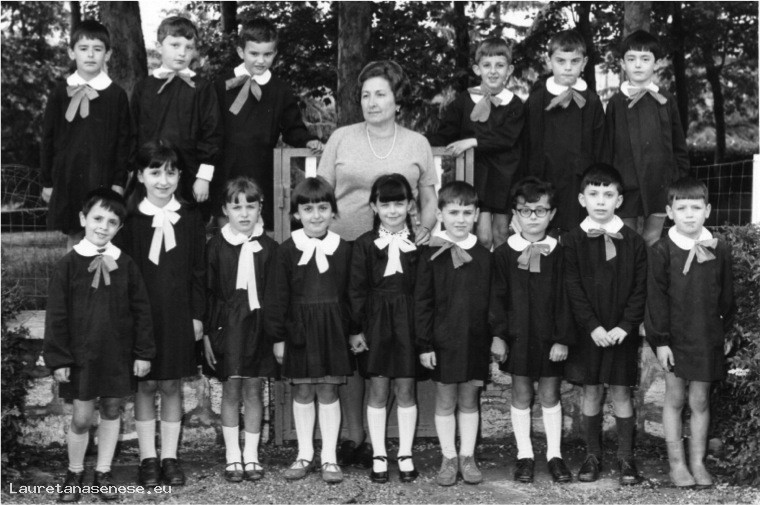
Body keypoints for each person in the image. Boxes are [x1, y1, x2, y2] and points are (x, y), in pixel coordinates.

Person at [318, 60, 438, 468]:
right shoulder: (341, 138)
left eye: (380, 94)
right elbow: (321, 192)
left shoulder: (417, 143)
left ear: (397, 99)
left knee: (389, 344)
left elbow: (428, 195)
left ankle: (382, 442)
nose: (372, 102)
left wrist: (425, 228)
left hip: (395, 256)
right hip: (343, 251)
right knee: (352, 342)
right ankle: (354, 436)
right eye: (366, 95)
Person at [44, 188, 154, 502]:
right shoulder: (68, 265)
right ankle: (75, 470)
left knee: (111, 408)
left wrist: (143, 353)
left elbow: (141, 311)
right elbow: (56, 315)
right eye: (97, 219)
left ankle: (103, 472)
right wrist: (59, 359)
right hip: (81, 356)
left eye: (112, 222)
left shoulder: (126, 265)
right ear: (83, 219)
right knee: (81, 417)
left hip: (117, 354)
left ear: (119, 228)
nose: (103, 227)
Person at [119, 140, 206, 487]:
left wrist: (197, 315)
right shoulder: (128, 220)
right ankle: (147, 459)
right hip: (141, 316)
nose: (163, 181)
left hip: (178, 313)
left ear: (180, 176)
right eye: (155, 172)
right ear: (140, 176)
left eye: (170, 173)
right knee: (145, 385)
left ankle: (169, 457)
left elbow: (199, 270)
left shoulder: (191, 217)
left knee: (171, 384)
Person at [645, 177, 735, 489]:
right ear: (670, 212)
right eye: (681, 208)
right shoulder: (661, 250)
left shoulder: (719, 248)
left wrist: (725, 332)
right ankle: (677, 464)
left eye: (696, 208)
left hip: (707, 336)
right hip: (674, 339)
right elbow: (655, 299)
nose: (689, 215)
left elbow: (726, 296)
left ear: (707, 211)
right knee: (675, 398)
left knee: (699, 400)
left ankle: (697, 462)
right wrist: (661, 341)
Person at [264, 177, 354, 484]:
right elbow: (276, 296)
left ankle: (329, 457)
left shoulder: (343, 249)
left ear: (333, 211)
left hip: (332, 329)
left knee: (328, 390)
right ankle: (304, 454)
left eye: (323, 208)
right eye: (308, 209)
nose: (316, 215)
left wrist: (352, 330)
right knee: (302, 390)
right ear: (296, 214)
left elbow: (351, 294)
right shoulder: (286, 251)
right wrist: (278, 337)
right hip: (298, 330)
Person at [563, 163, 647, 485]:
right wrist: (592, 326)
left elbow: (640, 288)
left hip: (621, 332)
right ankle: (592, 455)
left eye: (608, 194)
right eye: (594, 194)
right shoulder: (572, 241)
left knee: (622, 392)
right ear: (582, 199)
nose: (600, 201)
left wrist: (625, 325)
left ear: (619, 200)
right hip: (590, 332)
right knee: (592, 391)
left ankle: (626, 457)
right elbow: (572, 288)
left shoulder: (634, 241)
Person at [490, 177, 576, 484]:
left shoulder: (561, 253)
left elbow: (567, 298)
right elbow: (497, 298)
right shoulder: (503, 254)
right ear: (515, 214)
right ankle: (524, 455)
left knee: (550, 393)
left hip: (550, 338)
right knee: (522, 392)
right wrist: (499, 335)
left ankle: (555, 455)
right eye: (525, 211)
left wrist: (562, 339)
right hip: (518, 337)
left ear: (552, 214)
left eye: (540, 211)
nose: (533, 217)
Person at [415, 181, 492, 486]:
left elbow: (492, 302)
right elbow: (422, 302)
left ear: (476, 215)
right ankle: (448, 457)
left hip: (474, 341)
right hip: (442, 342)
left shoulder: (484, 256)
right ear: (440, 215)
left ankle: (467, 456)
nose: (460, 219)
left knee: (470, 400)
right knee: (446, 400)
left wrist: (495, 337)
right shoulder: (429, 255)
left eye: (467, 212)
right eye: (453, 212)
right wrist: (425, 344)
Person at [202, 177, 278, 483]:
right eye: (237, 207)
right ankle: (233, 455)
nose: (244, 213)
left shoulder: (270, 248)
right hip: (227, 324)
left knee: (254, 389)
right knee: (231, 389)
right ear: (225, 210)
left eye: (251, 206)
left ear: (260, 208)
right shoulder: (215, 247)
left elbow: (276, 294)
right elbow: (207, 292)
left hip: (259, 325)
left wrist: (276, 334)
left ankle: (251, 454)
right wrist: (208, 333)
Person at [214, 18, 322, 228]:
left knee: (262, 231)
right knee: (227, 232)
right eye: (254, 54)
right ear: (241, 52)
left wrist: (307, 140)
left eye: (267, 54)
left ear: (275, 53)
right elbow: (210, 129)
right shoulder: (221, 85)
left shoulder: (280, 90)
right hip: (226, 170)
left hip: (262, 171)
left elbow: (293, 128)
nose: (260, 60)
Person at [348, 174, 421, 484]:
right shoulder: (364, 244)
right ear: (374, 207)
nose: (393, 211)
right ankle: (378, 454)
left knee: (405, 389)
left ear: (410, 205)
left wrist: (423, 334)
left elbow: (425, 291)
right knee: (377, 389)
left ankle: (405, 453)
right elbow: (356, 290)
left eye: (399, 204)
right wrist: (355, 329)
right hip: (375, 322)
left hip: (409, 323)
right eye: (386, 204)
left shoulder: (419, 242)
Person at [40, 20, 131, 251]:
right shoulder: (60, 93)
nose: (90, 55)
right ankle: (74, 274)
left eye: (97, 49)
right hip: (69, 178)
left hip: (103, 179)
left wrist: (119, 182)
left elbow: (124, 142)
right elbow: (48, 139)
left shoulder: (116, 95)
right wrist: (47, 182)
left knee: (104, 235)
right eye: (83, 48)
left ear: (107, 54)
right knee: (75, 236)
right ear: (72, 52)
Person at [427, 37, 524, 249]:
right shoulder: (465, 100)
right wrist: (419, 143)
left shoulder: (515, 104)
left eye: (500, 65)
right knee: (483, 237)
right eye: (487, 65)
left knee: (501, 234)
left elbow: (507, 137)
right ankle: (481, 270)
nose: (493, 71)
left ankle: (501, 271)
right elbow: (446, 133)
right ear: (477, 69)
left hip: (505, 177)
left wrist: (473, 141)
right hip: (476, 175)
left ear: (509, 70)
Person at [603, 30, 689, 246]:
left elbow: (678, 144)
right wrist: (609, 184)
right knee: (627, 239)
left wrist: (679, 179)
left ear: (656, 63)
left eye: (645, 59)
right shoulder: (616, 103)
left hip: (659, 183)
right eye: (631, 59)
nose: (638, 65)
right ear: (622, 64)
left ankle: (651, 270)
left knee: (652, 239)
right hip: (625, 184)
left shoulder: (666, 100)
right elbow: (608, 146)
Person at [131, 15, 222, 212]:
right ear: (159, 46)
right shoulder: (144, 88)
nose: (182, 53)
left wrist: (204, 177)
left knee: (187, 224)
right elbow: (133, 132)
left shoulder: (202, 88)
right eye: (175, 45)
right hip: (151, 175)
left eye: (189, 47)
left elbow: (212, 133)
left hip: (190, 176)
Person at [523, 30, 604, 235]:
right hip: (543, 181)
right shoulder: (536, 100)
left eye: (574, 61)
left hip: (579, 183)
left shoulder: (592, 102)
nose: (568, 67)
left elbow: (600, 147)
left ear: (584, 63)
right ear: (549, 61)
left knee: (576, 238)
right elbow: (527, 146)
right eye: (561, 61)